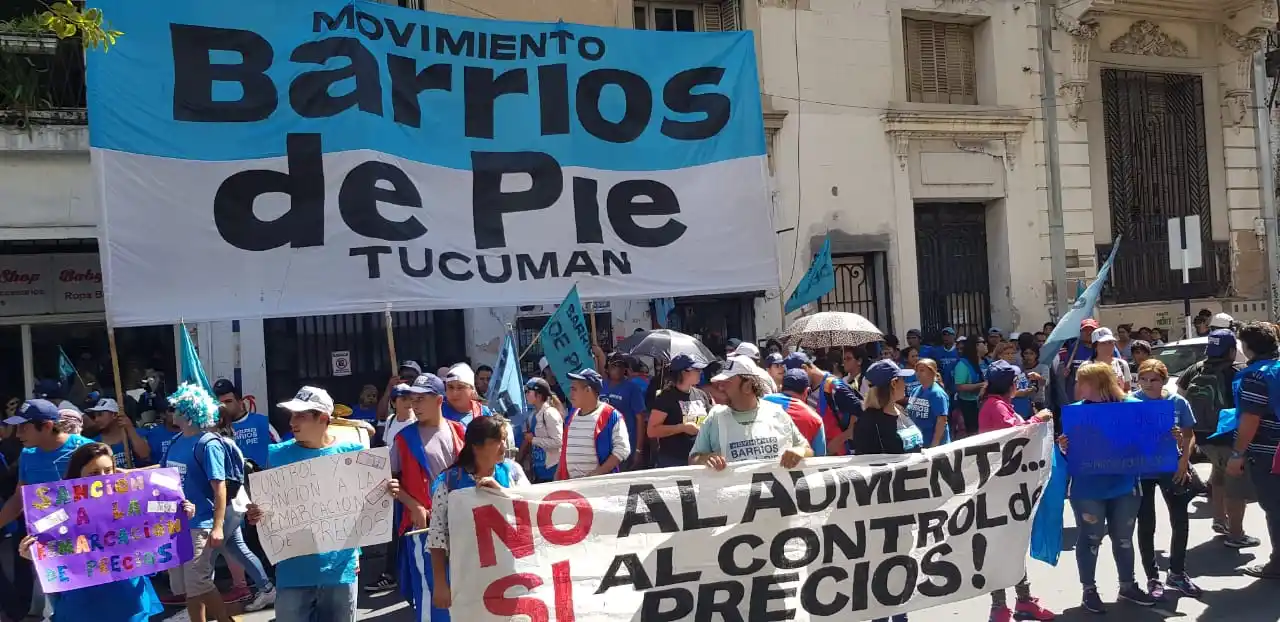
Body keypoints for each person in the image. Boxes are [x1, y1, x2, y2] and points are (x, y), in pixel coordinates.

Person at [246, 386, 400, 622]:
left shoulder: (353, 454)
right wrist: (256, 513)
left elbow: (367, 505)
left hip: (340, 571)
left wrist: (387, 491)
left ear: (324, 419)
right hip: (292, 572)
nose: (292, 422)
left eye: (301, 416)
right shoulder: (276, 455)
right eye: (292, 415)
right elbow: (267, 507)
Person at [17, 442, 178, 621]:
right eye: (93, 473)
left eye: (108, 471)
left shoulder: (132, 505)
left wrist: (180, 514)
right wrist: (34, 555)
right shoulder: (59, 512)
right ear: (77, 476)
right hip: (82, 607)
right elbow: (51, 551)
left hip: (129, 602)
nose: (103, 478)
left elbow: (155, 542)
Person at [1058, 363, 1155, 612]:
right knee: (1090, 538)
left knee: (1123, 539)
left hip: (1125, 486)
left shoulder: (1133, 408)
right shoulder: (1075, 413)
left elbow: (1150, 443)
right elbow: (1070, 455)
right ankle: (1089, 590)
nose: (1077, 386)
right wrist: (1064, 447)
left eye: (1081, 381)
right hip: (1088, 489)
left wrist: (1169, 438)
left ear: (1098, 383)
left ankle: (1128, 586)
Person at [975, 360, 1056, 621]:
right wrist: (1038, 418)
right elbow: (1016, 434)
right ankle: (1001, 605)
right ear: (1011, 384)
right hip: (1001, 488)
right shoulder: (996, 406)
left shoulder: (997, 404)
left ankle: (1021, 600)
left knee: (1011, 544)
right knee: (1004, 546)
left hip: (1008, 485)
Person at [426, 417, 529, 619]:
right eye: (497, 441)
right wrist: (440, 583)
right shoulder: (449, 483)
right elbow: (437, 536)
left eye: (504, 439)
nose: (503, 446)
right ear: (476, 446)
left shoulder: (513, 473)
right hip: (468, 577)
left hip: (510, 572)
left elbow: (530, 511)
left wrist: (502, 494)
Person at [0, 399, 93, 621]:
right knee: (59, 610)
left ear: (48, 426)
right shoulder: (28, 455)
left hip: (88, 547)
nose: (17, 434)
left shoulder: (86, 449)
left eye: (24, 427)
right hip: (50, 549)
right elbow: (19, 499)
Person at [159, 384, 237, 622]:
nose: (172, 413)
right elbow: (161, 470)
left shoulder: (208, 443)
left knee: (198, 582)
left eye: (176, 409)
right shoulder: (176, 440)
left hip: (200, 522)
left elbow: (220, 487)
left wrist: (217, 526)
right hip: (176, 523)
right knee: (186, 587)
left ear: (189, 413)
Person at [1177, 329, 1256, 548]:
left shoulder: (1195, 369)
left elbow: (1180, 397)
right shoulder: (1237, 371)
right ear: (1231, 351)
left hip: (1202, 437)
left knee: (1219, 476)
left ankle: (1220, 520)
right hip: (1228, 436)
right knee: (1236, 487)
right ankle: (1236, 535)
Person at [391, 373, 464, 606]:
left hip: (459, 519)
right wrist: (412, 505)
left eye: (421, 399)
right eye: (413, 399)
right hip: (423, 524)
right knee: (428, 591)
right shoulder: (403, 438)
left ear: (439, 400)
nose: (415, 405)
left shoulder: (459, 431)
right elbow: (389, 480)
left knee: (462, 585)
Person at [1132, 359, 1201, 598]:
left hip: (1171, 467)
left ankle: (1177, 573)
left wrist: (1183, 459)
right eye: (1143, 379)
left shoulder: (1177, 402)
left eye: (1154, 379)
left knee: (1180, 519)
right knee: (1146, 523)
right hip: (1142, 470)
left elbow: (1190, 435)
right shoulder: (1131, 402)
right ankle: (1152, 577)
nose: (1148, 384)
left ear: (1164, 380)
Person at [1224, 321, 1280, 579]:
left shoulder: (1255, 376)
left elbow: (1250, 419)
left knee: (1275, 508)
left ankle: (1277, 565)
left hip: (1270, 453)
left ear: (1246, 347)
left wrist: (1237, 454)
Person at [690, 357, 810, 468]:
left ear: (747, 386)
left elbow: (807, 449)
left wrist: (800, 451)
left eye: (726, 383)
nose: (720, 388)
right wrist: (706, 459)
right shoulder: (714, 418)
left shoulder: (777, 413)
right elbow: (693, 459)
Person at [557, 369, 630, 479]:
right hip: (571, 484)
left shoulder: (611, 416)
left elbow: (622, 449)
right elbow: (565, 449)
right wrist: (558, 475)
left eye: (574, 389)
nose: (570, 394)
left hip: (599, 485)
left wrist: (597, 474)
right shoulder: (572, 414)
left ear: (588, 390)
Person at [647, 355, 715, 467]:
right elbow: (652, 431)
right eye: (697, 369)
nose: (701, 372)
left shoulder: (701, 394)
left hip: (699, 457)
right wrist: (682, 428)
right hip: (673, 461)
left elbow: (711, 420)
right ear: (684, 372)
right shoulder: (666, 397)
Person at [851, 360, 923, 455]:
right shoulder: (868, 423)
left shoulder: (900, 409)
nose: (905, 384)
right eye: (903, 379)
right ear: (894, 383)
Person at [799, 353, 862, 456]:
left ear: (805, 368)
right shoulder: (807, 391)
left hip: (844, 453)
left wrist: (841, 438)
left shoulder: (833, 386)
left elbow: (860, 409)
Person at [212, 379, 280, 471]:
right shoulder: (215, 430)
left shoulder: (261, 422)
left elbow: (281, 450)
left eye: (228, 401)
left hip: (263, 477)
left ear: (240, 402)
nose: (224, 406)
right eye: (220, 403)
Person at [596, 351, 647, 468]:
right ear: (607, 369)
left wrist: (638, 450)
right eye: (614, 366)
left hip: (625, 445)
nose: (618, 369)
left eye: (621, 366)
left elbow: (640, 419)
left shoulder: (633, 388)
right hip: (603, 446)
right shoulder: (600, 387)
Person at [763, 369, 827, 456]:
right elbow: (820, 458)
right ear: (806, 391)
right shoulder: (815, 419)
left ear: (781, 388)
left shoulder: (760, 401)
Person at [85, 397, 150, 467]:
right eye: (94, 416)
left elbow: (145, 455)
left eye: (100, 414)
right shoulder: (94, 443)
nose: (96, 419)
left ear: (114, 415)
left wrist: (130, 429)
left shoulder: (136, 433)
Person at [521, 378, 564, 482]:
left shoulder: (550, 413)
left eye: (528, 391)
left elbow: (558, 442)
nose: (526, 394)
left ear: (539, 395)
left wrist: (533, 439)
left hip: (552, 470)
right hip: (538, 471)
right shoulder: (532, 415)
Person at [906, 359, 949, 448]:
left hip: (935, 444)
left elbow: (941, 421)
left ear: (932, 372)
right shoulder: (915, 391)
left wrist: (934, 445)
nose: (918, 373)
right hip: (919, 441)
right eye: (917, 371)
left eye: (922, 370)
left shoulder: (937, 393)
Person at [1057, 319, 1099, 406]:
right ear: (1080, 332)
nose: (1088, 333)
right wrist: (1064, 372)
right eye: (1085, 330)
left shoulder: (1104, 346)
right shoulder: (1074, 347)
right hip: (1077, 397)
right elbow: (1066, 369)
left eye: (1091, 330)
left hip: (1099, 394)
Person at [952, 338, 986, 436]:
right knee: (973, 433)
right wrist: (981, 385)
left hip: (985, 401)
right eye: (983, 343)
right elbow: (959, 386)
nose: (986, 345)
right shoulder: (963, 364)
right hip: (970, 405)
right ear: (976, 346)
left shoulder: (987, 361)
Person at [442, 364, 492, 428]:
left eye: (460, 387)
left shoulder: (484, 413)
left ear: (472, 390)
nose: (454, 393)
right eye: (450, 387)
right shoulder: (437, 410)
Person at [1090, 328, 1130, 392]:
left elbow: (1127, 389)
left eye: (1110, 342)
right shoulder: (1087, 366)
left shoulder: (1122, 364)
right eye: (1103, 343)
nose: (1108, 346)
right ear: (1095, 346)